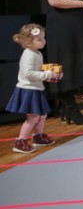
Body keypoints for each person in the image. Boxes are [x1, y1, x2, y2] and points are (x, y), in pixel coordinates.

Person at [6, 24, 61, 153]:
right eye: (39, 39)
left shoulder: (37, 53)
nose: (44, 41)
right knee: (33, 118)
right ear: (28, 42)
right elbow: (28, 73)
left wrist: (54, 74)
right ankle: (20, 142)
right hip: (28, 90)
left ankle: (38, 137)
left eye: (44, 38)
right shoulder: (28, 54)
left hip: (36, 89)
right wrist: (48, 74)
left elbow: (39, 71)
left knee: (42, 115)